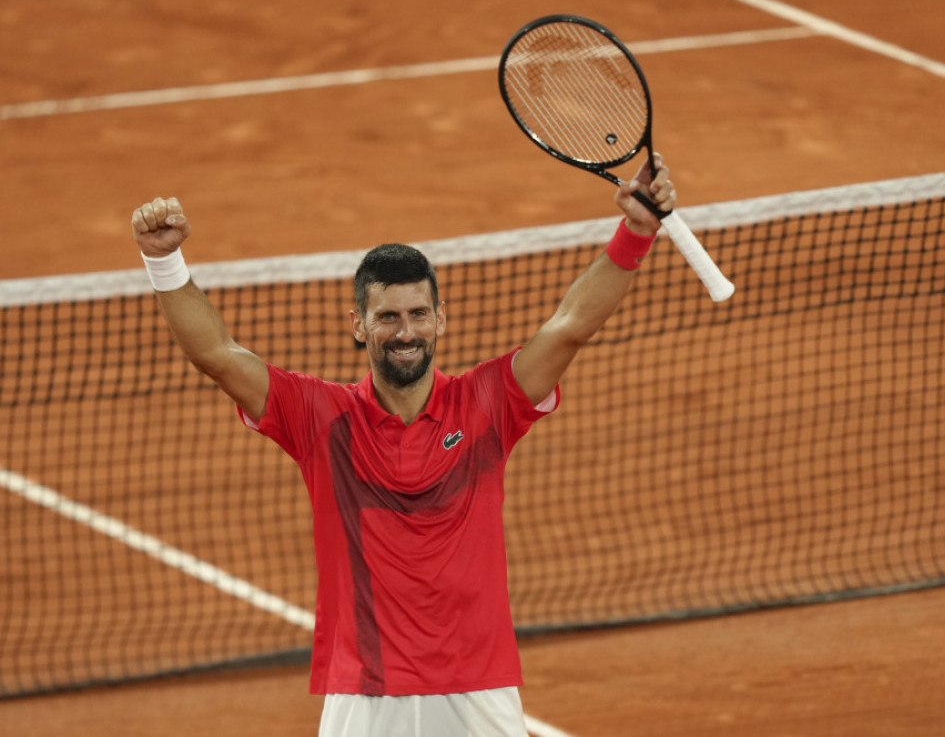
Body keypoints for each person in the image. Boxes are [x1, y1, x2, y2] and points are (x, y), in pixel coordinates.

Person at [130, 155, 677, 737]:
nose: (406, 332)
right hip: (365, 694)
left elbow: (569, 327)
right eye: (387, 317)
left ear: (441, 319)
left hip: (478, 685)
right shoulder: (321, 418)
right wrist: (163, 260)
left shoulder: (487, 403)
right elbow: (217, 355)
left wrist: (636, 231)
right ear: (358, 324)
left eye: (418, 314)